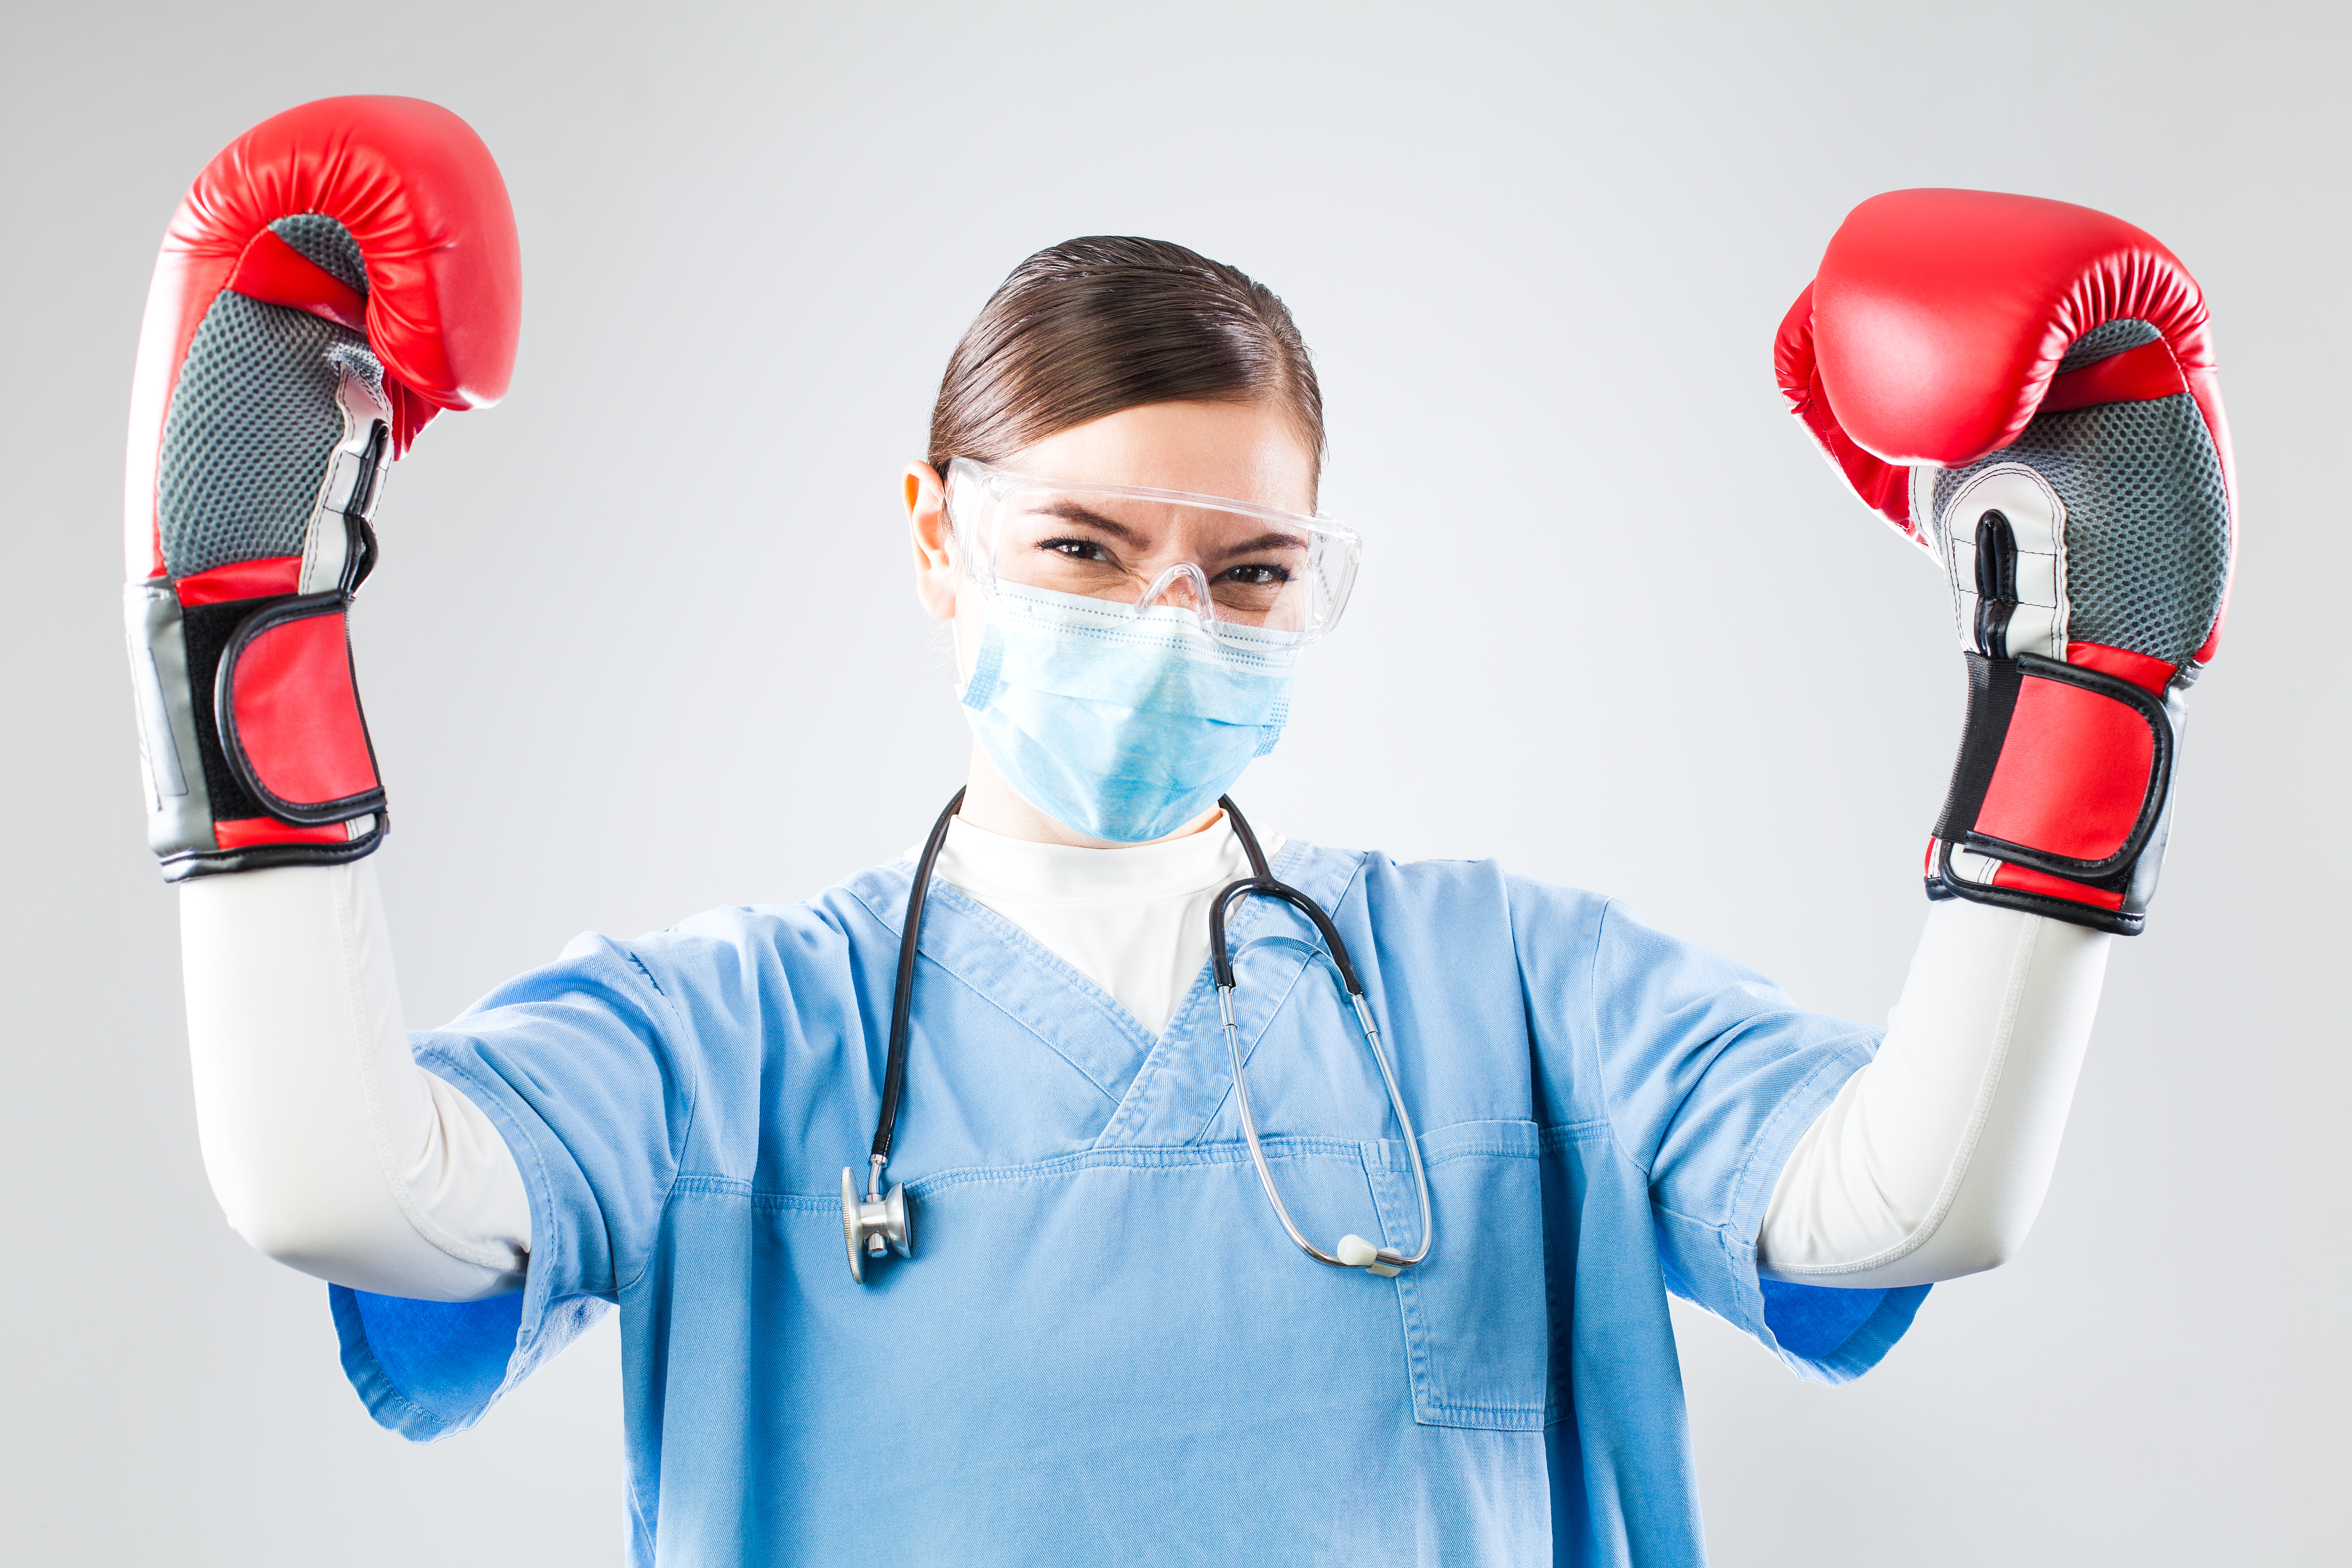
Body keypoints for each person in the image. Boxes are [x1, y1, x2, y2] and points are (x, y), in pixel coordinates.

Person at [124, 98, 2236, 1565]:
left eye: (1247, 570)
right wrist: (239, 608)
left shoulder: (1502, 989)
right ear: (936, 538)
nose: (1172, 623)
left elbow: (1912, 1205)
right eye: (1085, 546)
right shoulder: (730, 1040)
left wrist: (2078, 687)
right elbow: (333, 1188)